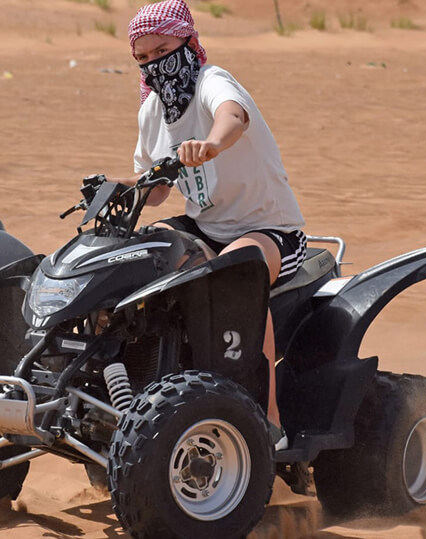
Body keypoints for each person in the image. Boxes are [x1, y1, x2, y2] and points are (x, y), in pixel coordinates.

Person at [114, 0, 306, 451]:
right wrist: (115, 186)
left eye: (162, 50)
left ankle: (268, 425)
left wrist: (212, 145)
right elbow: (156, 190)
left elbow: (232, 116)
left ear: (188, 42)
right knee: (138, 255)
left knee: (236, 274)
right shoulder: (153, 111)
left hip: (270, 230)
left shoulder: (211, 81)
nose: (154, 64)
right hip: (206, 229)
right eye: (143, 58)